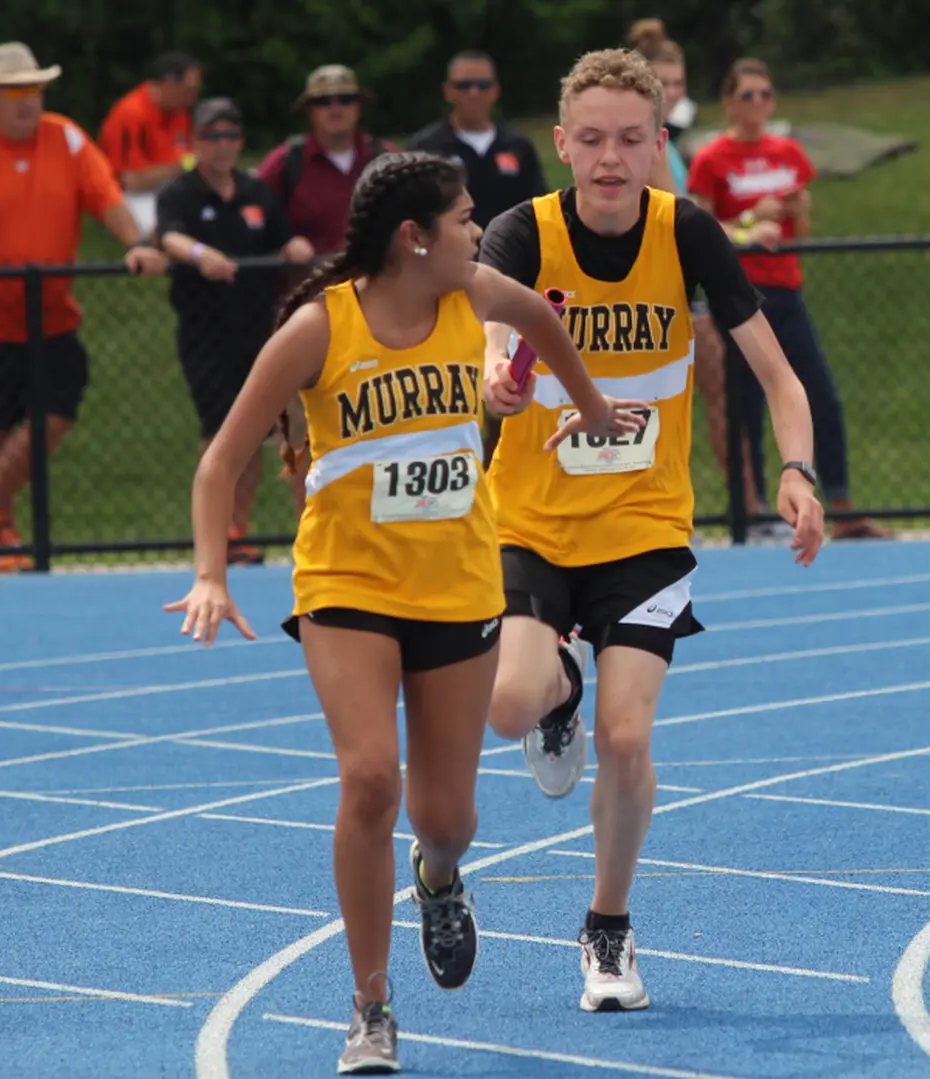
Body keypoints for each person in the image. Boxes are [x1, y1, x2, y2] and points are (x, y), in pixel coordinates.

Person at [166, 151, 639, 1075]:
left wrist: (585, 407)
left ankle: (440, 874)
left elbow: (543, 314)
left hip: (458, 583)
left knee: (447, 813)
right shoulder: (317, 327)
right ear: (413, 237)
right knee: (371, 780)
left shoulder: (473, 298)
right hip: (347, 584)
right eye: (464, 217)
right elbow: (220, 460)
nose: (477, 230)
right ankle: (370, 1004)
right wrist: (212, 573)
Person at [474, 48, 825, 1014]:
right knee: (505, 707)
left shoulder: (689, 234)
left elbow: (782, 381)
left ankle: (607, 928)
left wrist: (798, 473)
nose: (610, 158)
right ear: (561, 144)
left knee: (628, 743)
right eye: (590, 139)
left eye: (631, 139)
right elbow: (488, 350)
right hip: (532, 524)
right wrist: (499, 379)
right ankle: (561, 686)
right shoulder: (520, 233)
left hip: (643, 526)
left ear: (658, 141)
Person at [0, 42, 167, 575]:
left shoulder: (67, 140)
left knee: (56, 409)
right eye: (14, 92)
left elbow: (106, 195)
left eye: (34, 90)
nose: (27, 102)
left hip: (49, 312)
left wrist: (133, 243)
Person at [690, 58, 891, 540]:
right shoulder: (711, 158)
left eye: (765, 95)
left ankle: (841, 503)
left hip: (784, 287)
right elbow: (699, 231)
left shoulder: (788, 153)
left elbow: (798, 229)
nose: (757, 104)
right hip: (738, 293)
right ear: (729, 102)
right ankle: (757, 509)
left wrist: (795, 213)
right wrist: (746, 223)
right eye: (747, 95)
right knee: (746, 403)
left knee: (818, 393)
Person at [155, 98, 316, 565]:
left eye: (230, 136)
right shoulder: (181, 193)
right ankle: (218, 531)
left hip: (259, 329)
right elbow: (168, 236)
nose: (222, 145)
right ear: (195, 143)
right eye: (212, 136)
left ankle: (244, 528)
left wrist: (295, 246)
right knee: (224, 433)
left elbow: (281, 239)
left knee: (278, 431)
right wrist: (200, 254)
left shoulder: (254, 192)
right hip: (207, 332)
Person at [628, 18, 762, 522]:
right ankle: (660, 512)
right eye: (663, 84)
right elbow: (681, 218)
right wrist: (748, 228)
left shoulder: (667, 140)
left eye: (680, 84)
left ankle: (746, 508)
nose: (673, 92)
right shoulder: (644, 146)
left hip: (686, 292)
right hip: (656, 294)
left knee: (717, 402)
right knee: (654, 408)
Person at [259, 64, 398, 516]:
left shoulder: (386, 158)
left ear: (359, 106)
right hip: (313, 319)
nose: (335, 110)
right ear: (309, 111)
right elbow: (250, 215)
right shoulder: (285, 164)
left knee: (388, 419)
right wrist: (282, 242)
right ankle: (311, 528)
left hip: (384, 317)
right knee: (301, 431)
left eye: (344, 99)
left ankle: (384, 523)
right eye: (324, 101)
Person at [407, 52, 549, 228]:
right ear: (448, 91)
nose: (474, 93)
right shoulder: (426, 148)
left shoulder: (518, 146)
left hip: (509, 250)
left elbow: (538, 207)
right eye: (463, 85)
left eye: (483, 85)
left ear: (496, 90)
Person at [98, 51, 202, 239]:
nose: (193, 98)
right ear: (168, 83)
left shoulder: (179, 112)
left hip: (170, 184)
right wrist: (187, 165)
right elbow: (133, 182)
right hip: (131, 195)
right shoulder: (131, 114)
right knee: (160, 229)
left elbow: (190, 157)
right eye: (189, 90)